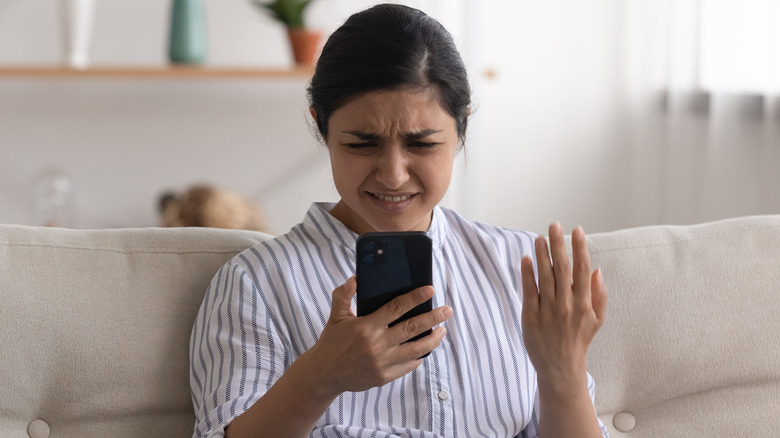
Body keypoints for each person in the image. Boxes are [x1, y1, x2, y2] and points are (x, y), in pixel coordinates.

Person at [190, 4, 609, 437]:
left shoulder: (520, 269)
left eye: (422, 144)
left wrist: (564, 373)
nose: (392, 174)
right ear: (322, 128)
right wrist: (319, 378)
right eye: (361, 144)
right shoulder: (256, 284)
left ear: (461, 127)